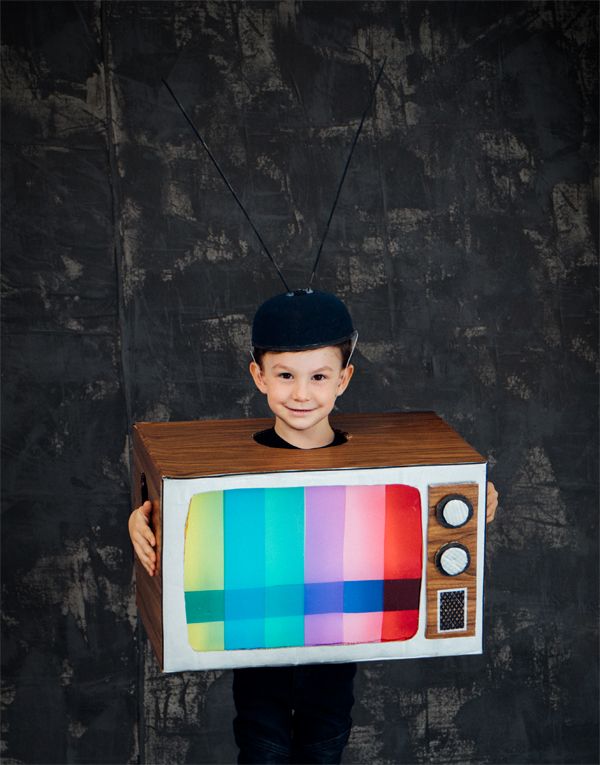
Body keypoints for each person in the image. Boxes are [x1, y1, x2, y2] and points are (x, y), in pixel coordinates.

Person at [128, 289, 499, 764]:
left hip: (335, 647)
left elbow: (443, 506)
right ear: (258, 376)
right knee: (262, 747)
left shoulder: (377, 465)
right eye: (285, 375)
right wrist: (140, 515)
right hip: (255, 642)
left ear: (344, 379)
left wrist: (478, 495)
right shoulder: (222, 466)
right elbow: (166, 497)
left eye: (319, 376)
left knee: (325, 745)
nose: (301, 393)